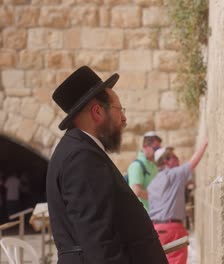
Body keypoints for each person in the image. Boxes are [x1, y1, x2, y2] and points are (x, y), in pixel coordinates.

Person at [46, 66, 168, 264]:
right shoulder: (81, 158)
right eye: (119, 109)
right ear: (97, 111)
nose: (124, 118)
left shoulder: (80, 151)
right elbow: (99, 243)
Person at [148, 139, 208, 264]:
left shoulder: (152, 184)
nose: (178, 159)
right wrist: (205, 143)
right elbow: (193, 162)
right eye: (174, 157)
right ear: (166, 161)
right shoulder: (174, 174)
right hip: (173, 229)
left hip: (156, 229)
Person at [127, 131, 162, 212]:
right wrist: (158, 198)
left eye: (159, 149)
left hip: (154, 214)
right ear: (145, 146)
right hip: (142, 216)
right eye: (156, 148)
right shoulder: (136, 166)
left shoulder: (154, 165)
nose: (158, 152)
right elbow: (137, 191)